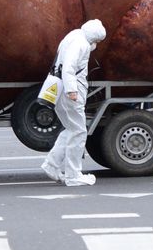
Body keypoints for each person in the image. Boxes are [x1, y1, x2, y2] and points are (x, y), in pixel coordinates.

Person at [41, 19, 107, 186]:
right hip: (71, 91)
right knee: (79, 132)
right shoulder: (81, 44)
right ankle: (73, 175)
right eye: (97, 41)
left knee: (70, 129)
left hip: (58, 89)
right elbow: (70, 67)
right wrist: (72, 91)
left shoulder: (74, 36)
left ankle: (51, 165)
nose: (97, 44)